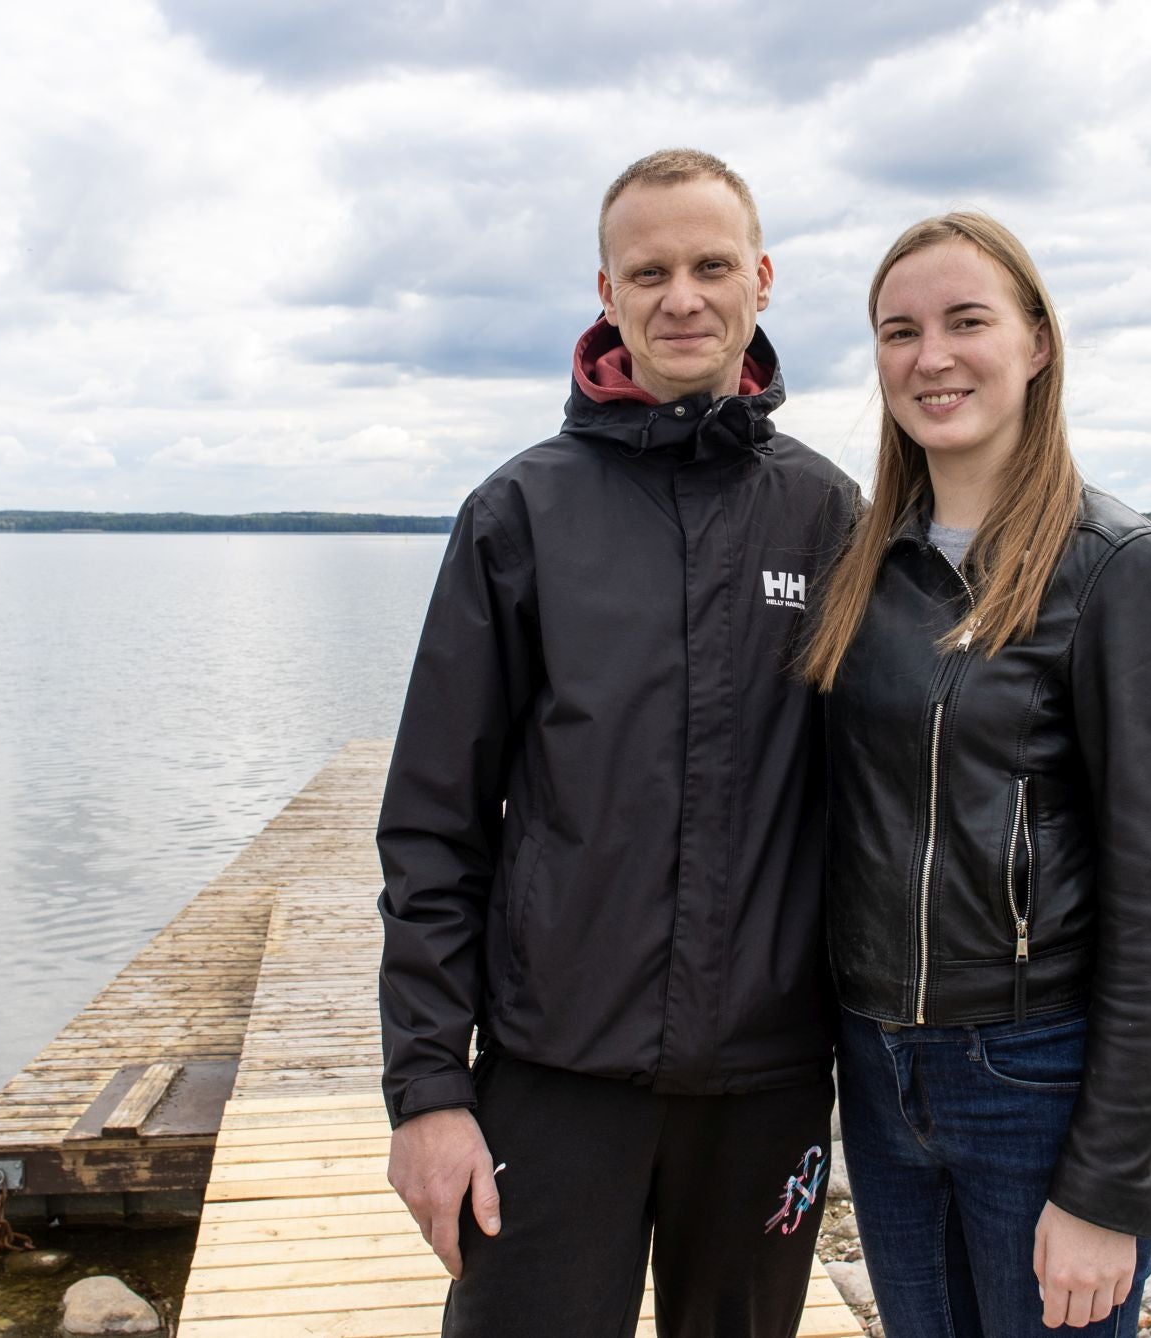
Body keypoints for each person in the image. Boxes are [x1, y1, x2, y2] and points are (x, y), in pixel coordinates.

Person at [377, 148, 857, 1338]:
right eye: (649, 271)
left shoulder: (832, 515)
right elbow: (435, 822)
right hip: (553, 1079)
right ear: (606, 291)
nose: (680, 296)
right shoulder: (519, 514)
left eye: (709, 265)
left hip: (766, 1082)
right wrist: (430, 1090)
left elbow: (885, 806)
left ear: (762, 277)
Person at [800, 213, 1151, 1335]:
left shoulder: (1118, 573)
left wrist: (1108, 1185)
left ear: (1037, 343)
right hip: (878, 1075)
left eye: (966, 321)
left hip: (1032, 1073)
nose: (931, 357)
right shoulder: (862, 568)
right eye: (900, 331)